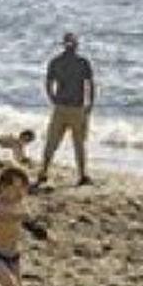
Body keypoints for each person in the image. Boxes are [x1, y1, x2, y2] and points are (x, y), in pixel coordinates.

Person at [36, 32, 95, 189]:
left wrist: (52, 98)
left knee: (52, 141)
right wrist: (90, 104)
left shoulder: (55, 62)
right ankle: (82, 175)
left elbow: (48, 84)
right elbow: (90, 85)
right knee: (79, 144)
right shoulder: (82, 62)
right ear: (76, 45)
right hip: (77, 108)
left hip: (61, 107)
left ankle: (43, 172)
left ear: (64, 45)